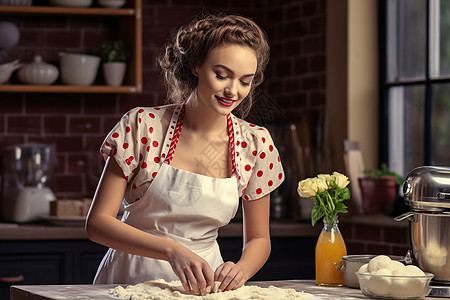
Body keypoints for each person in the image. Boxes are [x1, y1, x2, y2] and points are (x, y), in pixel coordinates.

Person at [85, 12, 285, 296]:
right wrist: (172, 250)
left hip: (204, 288)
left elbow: (259, 238)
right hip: (128, 281)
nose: (233, 90)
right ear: (195, 66)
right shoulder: (142, 126)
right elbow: (97, 224)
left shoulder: (255, 144)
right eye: (222, 75)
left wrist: (241, 269)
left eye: (245, 80)